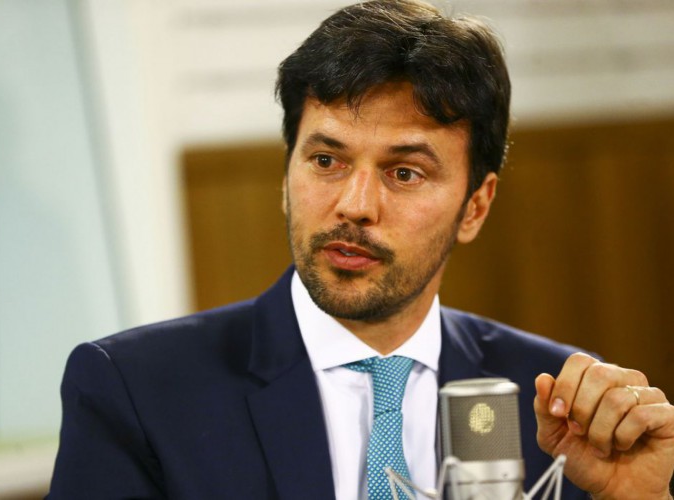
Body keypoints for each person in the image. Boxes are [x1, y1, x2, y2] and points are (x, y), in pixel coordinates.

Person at [47, 1, 674, 498]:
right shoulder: (137, 391)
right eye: (326, 160)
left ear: (475, 207)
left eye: (404, 172)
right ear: (285, 176)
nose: (354, 205)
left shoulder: (560, 407)